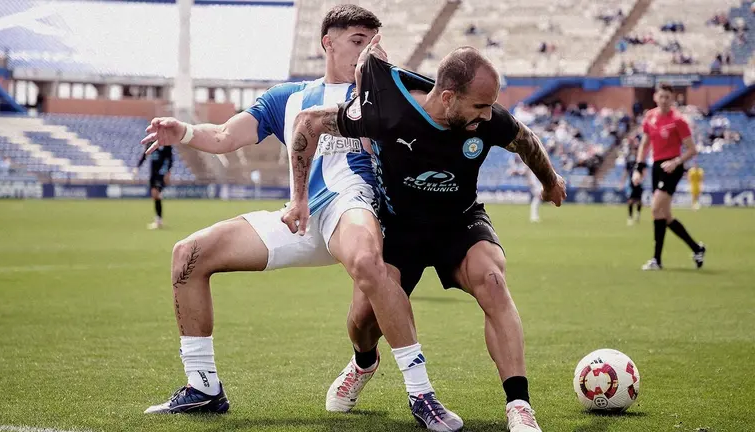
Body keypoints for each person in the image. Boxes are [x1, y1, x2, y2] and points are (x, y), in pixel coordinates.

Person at [140, 8, 462, 430]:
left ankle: (422, 396)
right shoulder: (285, 98)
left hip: (353, 205)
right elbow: (223, 137)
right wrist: (181, 131)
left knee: (365, 296)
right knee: (188, 255)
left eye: (375, 41)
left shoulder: (390, 94)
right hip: (300, 214)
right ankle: (203, 388)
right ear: (327, 43)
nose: (369, 50)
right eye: (358, 40)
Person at [283, 47, 567, 432]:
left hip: (460, 222)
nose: (488, 115)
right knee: (363, 321)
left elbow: (525, 140)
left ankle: (519, 404)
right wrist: (298, 196)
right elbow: (307, 121)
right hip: (399, 228)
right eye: (480, 106)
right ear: (448, 97)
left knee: (493, 282)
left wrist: (550, 182)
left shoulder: (488, 120)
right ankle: (364, 363)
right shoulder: (386, 112)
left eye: (491, 107)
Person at [632, 84, 706, 271]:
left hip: (673, 168)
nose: (664, 100)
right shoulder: (650, 117)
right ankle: (697, 248)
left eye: (668, 97)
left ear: (672, 99)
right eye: (661, 96)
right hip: (657, 167)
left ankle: (657, 260)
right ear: (656, 97)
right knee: (665, 215)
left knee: (656, 209)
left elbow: (692, 149)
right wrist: (638, 168)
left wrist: (676, 162)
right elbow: (645, 144)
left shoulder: (678, 121)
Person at [135, 143, 172, 229]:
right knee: (155, 196)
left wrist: (167, 172)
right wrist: (137, 167)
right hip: (153, 175)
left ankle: (158, 220)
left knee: (156, 194)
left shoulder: (166, 144)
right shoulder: (150, 144)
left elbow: (170, 159)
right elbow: (144, 156)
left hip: (161, 174)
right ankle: (159, 220)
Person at [620, 142, 644, 225]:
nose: (634, 152)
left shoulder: (641, 162)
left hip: (639, 184)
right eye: (633, 150)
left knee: (639, 201)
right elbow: (625, 172)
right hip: (631, 184)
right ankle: (630, 217)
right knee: (630, 201)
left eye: (636, 150)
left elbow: (644, 172)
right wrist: (622, 182)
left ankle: (638, 214)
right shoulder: (629, 162)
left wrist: (640, 180)